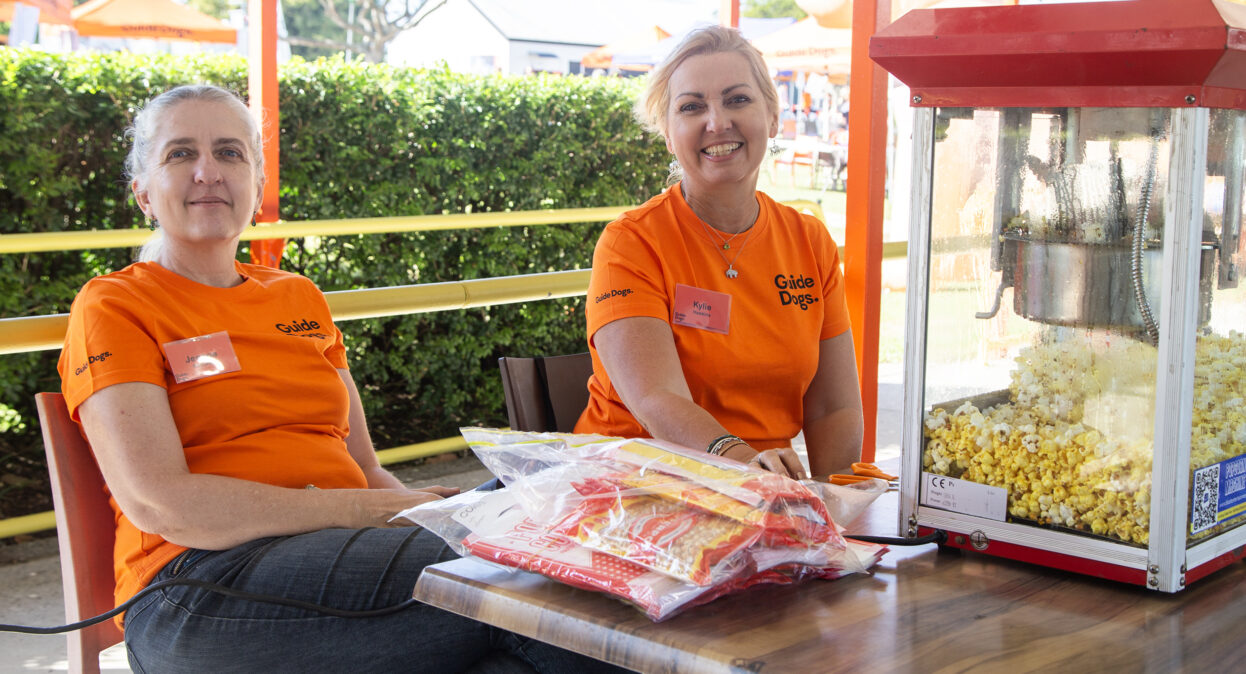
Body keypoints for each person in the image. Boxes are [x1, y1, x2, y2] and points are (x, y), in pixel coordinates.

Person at [58, 84, 619, 673]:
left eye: (230, 152)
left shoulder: (298, 296)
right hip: (200, 587)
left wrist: (418, 508)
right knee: (541, 570)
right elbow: (163, 505)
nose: (207, 172)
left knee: (560, 526)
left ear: (256, 186)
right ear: (143, 193)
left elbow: (366, 470)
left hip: (348, 557)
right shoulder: (116, 305)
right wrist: (370, 513)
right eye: (180, 154)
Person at [573, 26, 864, 480]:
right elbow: (656, 399)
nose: (717, 122)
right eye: (692, 107)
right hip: (634, 492)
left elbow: (833, 408)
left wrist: (839, 504)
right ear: (668, 133)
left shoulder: (810, 241)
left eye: (737, 99)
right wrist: (744, 465)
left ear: (772, 116)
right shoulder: (631, 242)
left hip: (764, 498)